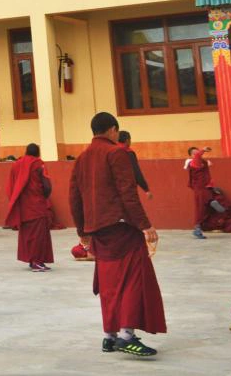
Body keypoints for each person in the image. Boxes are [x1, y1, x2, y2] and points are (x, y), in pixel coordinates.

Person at [69, 112, 166, 357]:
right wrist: (145, 225)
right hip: (122, 228)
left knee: (109, 283)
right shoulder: (116, 153)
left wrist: (82, 231)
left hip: (98, 230)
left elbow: (74, 198)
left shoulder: (81, 159)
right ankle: (126, 335)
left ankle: (109, 336)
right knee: (133, 279)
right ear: (112, 130)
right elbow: (127, 192)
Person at [6, 143, 54, 272]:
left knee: (28, 234)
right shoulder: (38, 164)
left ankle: (33, 260)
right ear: (38, 153)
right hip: (36, 204)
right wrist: (44, 197)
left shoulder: (16, 164)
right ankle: (37, 262)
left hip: (23, 205)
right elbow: (47, 186)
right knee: (38, 235)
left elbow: (11, 186)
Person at [187, 147, 231, 236]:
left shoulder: (202, 162)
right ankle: (197, 227)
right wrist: (203, 150)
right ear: (191, 155)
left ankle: (211, 203)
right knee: (201, 209)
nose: (197, 154)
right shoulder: (194, 163)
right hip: (201, 190)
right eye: (194, 153)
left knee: (207, 207)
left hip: (208, 188)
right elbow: (197, 156)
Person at [117, 132, 152, 200]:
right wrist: (146, 189)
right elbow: (136, 172)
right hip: (127, 189)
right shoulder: (128, 153)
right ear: (127, 140)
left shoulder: (111, 151)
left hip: (114, 191)